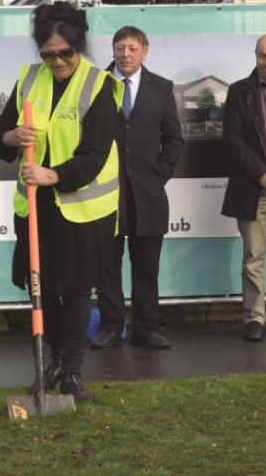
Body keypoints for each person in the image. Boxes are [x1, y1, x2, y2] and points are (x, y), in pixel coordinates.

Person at [0, 2, 123, 402]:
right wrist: (11, 138)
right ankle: (52, 361)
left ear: (79, 46)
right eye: (48, 54)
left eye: (65, 52)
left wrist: (54, 174)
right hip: (36, 207)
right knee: (42, 287)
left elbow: (95, 154)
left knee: (78, 289)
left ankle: (73, 370)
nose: (58, 61)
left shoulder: (99, 84)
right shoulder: (29, 79)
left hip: (84, 207)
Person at [90, 27, 184, 350]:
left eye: (132, 48)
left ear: (145, 50)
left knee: (146, 267)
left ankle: (146, 328)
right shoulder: (95, 85)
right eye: (119, 47)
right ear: (113, 51)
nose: (125, 54)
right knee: (107, 266)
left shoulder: (161, 87)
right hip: (104, 194)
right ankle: (112, 328)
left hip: (148, 194)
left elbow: (173, 139)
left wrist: (158, 174)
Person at [222, 33, 266, 342]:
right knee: (253, 256)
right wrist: (262, 175)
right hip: (255, 188)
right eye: (262, 55)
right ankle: (254, 318)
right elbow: (233, 141)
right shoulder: (239, 92)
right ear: (255, 56)